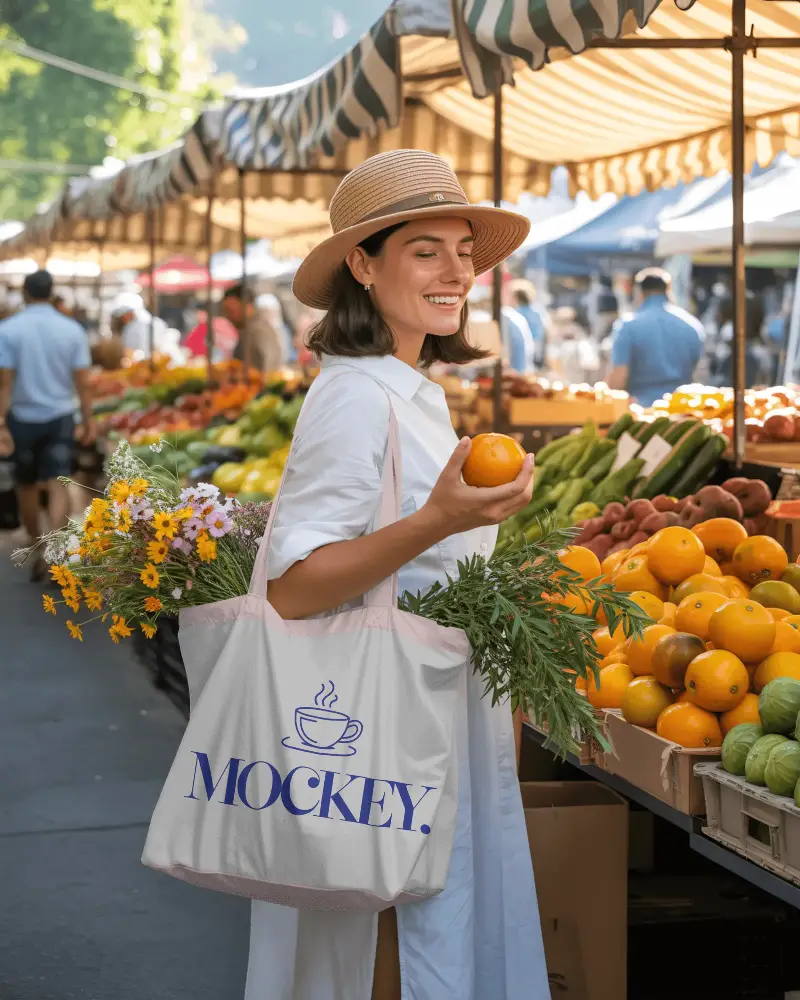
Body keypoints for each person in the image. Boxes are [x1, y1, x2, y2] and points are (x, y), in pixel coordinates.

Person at [245, 149, 548, 1000]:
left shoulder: (410, 387)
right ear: (363, 264)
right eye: (426, 249)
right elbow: (293, 585)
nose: (458, 270)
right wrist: (440, 521)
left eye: (463, 248)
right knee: (395, 939)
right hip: (378, 719)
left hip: (427, 711)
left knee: (427, 924)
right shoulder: (354, 395)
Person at [0, 270, 95, 577]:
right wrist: (89, 420)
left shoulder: (9, 329)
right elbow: (83, 382)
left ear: (26, 293)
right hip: (60, 416)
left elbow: (4, 382)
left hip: (22, 417)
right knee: (58, 481)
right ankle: (54, 549)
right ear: (52, 292)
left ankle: (35, 544)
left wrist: (0, 421)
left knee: (26, 484)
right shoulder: (71, 329)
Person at [608, 267, 703, 405]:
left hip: (639, 411)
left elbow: (618, 377)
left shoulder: (628, 325)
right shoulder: (692, 325)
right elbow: (700, 374)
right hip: (680, 409)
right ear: (668, 290)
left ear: (639, 292)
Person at [222, 284, 286, 373]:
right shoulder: (248, 328)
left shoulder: (259, 329)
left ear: (248, 306)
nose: (228, 316)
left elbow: (270, 367)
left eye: (231, 310)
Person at [110, 293, 174, 359]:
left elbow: (129, 353)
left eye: (123, 316)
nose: (123, 319)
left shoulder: (131, 329)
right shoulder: (158, 323)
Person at [509, 278, 546, 365]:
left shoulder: (515, 314)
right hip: (535, 352)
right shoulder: (538, 312)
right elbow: (541, 334)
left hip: (520, 354)